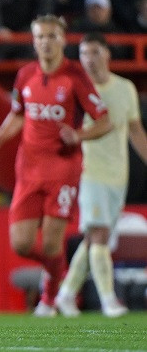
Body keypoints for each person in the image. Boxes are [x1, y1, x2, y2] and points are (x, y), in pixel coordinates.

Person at [0, 15, 111, 317]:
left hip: (63, 168)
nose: (45, 42)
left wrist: (78, 135)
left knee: (52, 243)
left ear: (63, 40)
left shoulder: (75, 76)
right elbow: (18, 114)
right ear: (34, 40)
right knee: (21, 244)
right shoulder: (25, 75)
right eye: (40, 37)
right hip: (28, 169)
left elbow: (105, 121)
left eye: (52, 36)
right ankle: (58, 269)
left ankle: (49, 298)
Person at [55, 33, 147, 318]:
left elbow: (135, 131)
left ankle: (66, 294)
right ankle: (109, 300)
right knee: (99, 235)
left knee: (93, 238)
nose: (89, 59)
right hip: (89, 172)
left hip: (118, 174)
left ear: (107, 54)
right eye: (84, 53)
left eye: (94, 52)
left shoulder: (125, 88)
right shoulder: (76, 90)